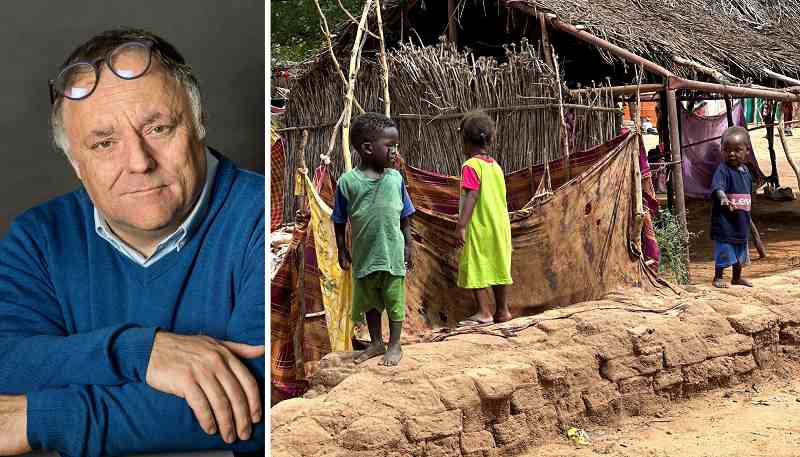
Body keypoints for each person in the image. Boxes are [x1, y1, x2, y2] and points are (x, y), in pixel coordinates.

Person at [0, 29, 264, 456]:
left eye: (158, 128)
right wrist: (139, 351)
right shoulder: (38, 239)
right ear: (76, 163)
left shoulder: (264, 219)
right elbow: (6, 362)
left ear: (198, 125)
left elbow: (263, 401)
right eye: (104, 143)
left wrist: (37, 419)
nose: (139, 162)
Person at [332, 113, 414, 367]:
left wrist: (409, 245)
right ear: (367, 148)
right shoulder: (348, 183)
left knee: (394, 299)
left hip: (392, 253)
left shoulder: (396, 179)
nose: (394, 152)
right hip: (365, 256)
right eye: (390, 146)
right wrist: (342, 249)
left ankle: (395, 344)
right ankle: (377, 341)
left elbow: (406, 216)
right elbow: (339, 219)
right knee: (369, 301)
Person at [454, 111, 513, 326]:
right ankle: (503, 311)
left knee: (475, 263)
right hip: (499, 225)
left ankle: (483, 312)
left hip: (479, 225)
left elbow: (472, 194)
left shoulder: (470, 166)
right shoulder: (495, 166)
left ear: (466, 141)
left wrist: (461, 225)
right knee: (498, 263)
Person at [711, 126, 753, 289]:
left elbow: (748, 192)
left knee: (740, 250)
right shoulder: (723, 170)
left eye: (737, 150)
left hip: (741, 221)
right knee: (724, 249)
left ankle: (737, 277)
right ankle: (718, 277)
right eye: (727, 150)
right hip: (725, 222)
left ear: (747, 151)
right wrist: (722, 198)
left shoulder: (746, 171)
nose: (732, 154)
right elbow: (718, 187)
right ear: (722, 150)